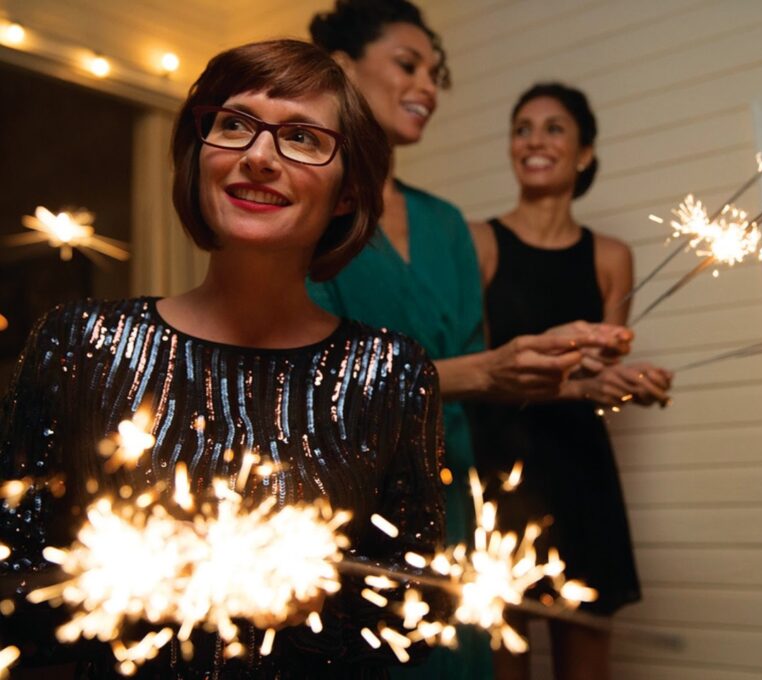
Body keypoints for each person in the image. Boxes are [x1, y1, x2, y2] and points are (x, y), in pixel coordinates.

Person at [0, 39, 444, 678]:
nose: (259, 156)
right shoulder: (79, 343)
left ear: (348, 193)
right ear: (198, 154)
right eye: (234, 125)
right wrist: (127, 582)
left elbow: (414, 612)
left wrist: (320, 602)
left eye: (303, 138)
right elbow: (15, 577)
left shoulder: (392, 373)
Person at [306, 5, 631, 678]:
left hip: (456, 504)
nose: (428, 85)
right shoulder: (307, 209)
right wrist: (489, 371)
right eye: (408, 64)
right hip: (350, 512)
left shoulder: (446, 223)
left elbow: (488, 377)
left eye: (435, 72)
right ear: (343, 67)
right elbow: (311, 380)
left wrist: (568, 372)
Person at [467, 83, 675, 680]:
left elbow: (600, 373)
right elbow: (480, 368)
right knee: (502, 657)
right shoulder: (479, 242)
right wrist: (583, 382)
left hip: (581, 468)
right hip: (500, 467)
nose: (534, 140)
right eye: (523, 127)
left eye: (553, 128)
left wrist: (632, 380)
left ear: (584, 153)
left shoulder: (611, 255)